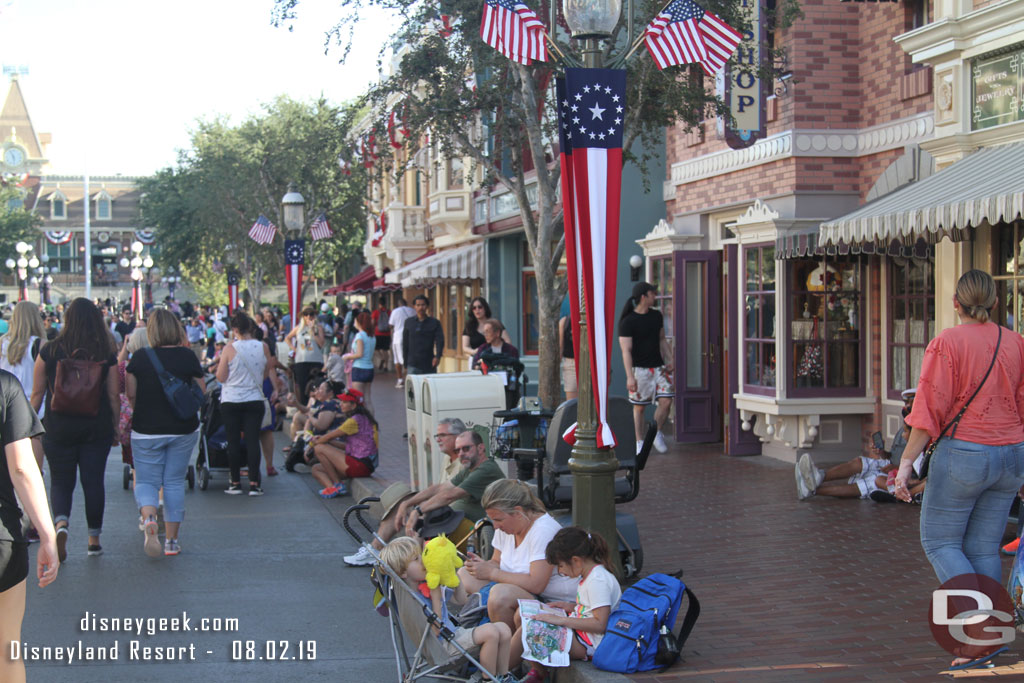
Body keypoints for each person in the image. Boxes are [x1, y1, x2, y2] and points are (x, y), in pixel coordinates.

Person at [893, 269, 1024, 670]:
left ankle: (982, 634)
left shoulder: (946, 342)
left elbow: (927, 411)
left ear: (955, 303)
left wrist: (904, 466)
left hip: (965, 453)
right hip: (1012, 454)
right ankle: (992, 634)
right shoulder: (1017, 342)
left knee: (940, 543)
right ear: (996, 302)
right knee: (983, 548)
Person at [29, 298, 120, 560]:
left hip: (58, 425)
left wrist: (27, 423)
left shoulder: (50, 349)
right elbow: (114, 394)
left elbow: (37, 393)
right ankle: (94, 540)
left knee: (60, 480)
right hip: (96, 425)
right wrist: (115, 426)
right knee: (93, 481)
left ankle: (61, 524)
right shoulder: (105, 350)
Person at [380, 537, 518, 683]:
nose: (423, 560)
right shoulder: (411, 600)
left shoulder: (428, 582)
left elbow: (461, 600)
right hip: (442, 646)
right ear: (403, 573)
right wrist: (436, 597)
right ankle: (488, 680)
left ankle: (503, 676)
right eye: (415, 559)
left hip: (454, 634)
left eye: (421, 554)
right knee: (490, 633)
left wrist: (452, 577)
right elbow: (435, 630)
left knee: (503, 629)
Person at [125, 309, 205, 557]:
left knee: (147, 480)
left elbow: (130, 394)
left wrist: (143, 410)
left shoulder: (139, 358)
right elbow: (201, 391)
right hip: (182, 428)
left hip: (146, 429)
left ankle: (149, 518)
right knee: (173, 482)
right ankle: (171, 541)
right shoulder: (188, 356)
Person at [343, 417, 468, 567]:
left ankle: (378, 549)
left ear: (458, 437)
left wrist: (415, 507)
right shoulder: (449, 459)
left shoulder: (463, 463)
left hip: (452, 513)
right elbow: (438, 488)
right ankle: (379, 548)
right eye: (437, 436)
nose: (438, 440)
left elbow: (447, 495)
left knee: (407, 503)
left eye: (442, 436)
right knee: (401, 495)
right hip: (443, 507)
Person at [0, 369, 59, 683]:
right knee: (7, 646)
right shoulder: (6, 386)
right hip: (2, 537)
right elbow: (22, 468)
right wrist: (47, 533)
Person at [458, 479, 579, 630]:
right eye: (492, 520)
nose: (495, 526)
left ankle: (504, 644)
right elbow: (497, 561)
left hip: (554, 601)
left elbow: (536, 584)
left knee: (499, 595)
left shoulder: (543, 531)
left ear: (518, 512)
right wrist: (480, 567)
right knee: (465, 574)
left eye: (498, 519)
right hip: (523, 591)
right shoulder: (506, 528)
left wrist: (492, 573)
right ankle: (488, 626)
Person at [511, 527, 621, 683]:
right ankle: (539, 673)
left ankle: (497, 673)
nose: (561, 572)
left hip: (589, 643)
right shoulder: (590, 576)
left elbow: (600, 624)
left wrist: (560, 620)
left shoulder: (598, 580)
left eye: (561, 566)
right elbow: (590, 609)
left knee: (528, 629)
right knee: (521, 616)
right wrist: (568, 607)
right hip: (580, 634)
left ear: (576, 560)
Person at [397, 430, 505, 545]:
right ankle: (414, 556)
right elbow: (440, 488)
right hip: (467, 525)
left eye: (466, 448)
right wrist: (407, 503)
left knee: (430, 518)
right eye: (458, 450)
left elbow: (449, 496)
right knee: (427, 518)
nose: (461, 454)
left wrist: (418, 511)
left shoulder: (486, 470)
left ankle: (417, 557)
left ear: (481, 448)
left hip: (484, 530)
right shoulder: (470, 470)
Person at [216, 312, 273, 496]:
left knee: (233, 441)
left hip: (231, 399)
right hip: (254, 398)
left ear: (234, 329)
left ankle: (235, 482)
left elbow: (221, 376)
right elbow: (265, 373)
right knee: (252, 440)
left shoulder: (229, 348)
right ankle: (255, 483)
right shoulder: (263, 346)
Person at [618, 281, 673, 455]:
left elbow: (662, 340)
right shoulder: (628, 322)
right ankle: (639, 441)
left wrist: (670, 359)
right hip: (639, 370)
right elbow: (626, 350)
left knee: (666, 401)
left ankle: (655, 432)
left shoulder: (656, 316)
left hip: (658, 368)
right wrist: (629, 376)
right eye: (652, 294)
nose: (655, 297)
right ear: (644, 297)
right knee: (639, 407)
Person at [309, 389, 378, 498]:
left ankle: (337, 485)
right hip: (363, 465)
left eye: (345, 402)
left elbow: (325, 439)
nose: (341, 404)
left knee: (319, 448)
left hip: (360, 465)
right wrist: (328, 440)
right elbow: (346, 446)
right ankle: (332, 487)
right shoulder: (363, 418)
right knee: (316, 469)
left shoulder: (354, 421)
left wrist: (316, 441)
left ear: (353, 405)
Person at [285, 305, 326, 407]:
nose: (308, 316)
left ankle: (315, 407)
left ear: (314, 315)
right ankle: (304, 408)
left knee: (316, 386)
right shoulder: (298, 328)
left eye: (311, 314)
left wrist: (313, 331)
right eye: (306, 314)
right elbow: (287, 338)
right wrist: (294, 349)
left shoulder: (319, 327)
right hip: (301, 361)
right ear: (303, 316)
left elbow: (321, 344)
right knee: (303, 387)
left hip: (315, 360)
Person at [343, 311, 376, 413]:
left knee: (358, 399)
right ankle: (372, 424)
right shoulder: (372, 336)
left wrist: (347, 357)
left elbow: (359, 354)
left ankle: (361, 423)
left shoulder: (359, 336)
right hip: (369, 368)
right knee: (367, 399)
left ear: (360, 322)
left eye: (355, 321)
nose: (354, 323)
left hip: (359, 368)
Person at [402, 295, 444, 376]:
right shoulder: (408, 322)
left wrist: (438, 356)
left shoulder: (435, 323)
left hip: (429, 364)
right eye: (418, 305)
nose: (421, 307)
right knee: (413, 388)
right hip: (412, 364)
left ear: (427, 306)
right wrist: (405, 363)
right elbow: (405, 344)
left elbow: (440, 341)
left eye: (423, 305)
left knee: (430, 388)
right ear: (414, 306)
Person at [388, 298, 417, 388]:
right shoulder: (412, 310)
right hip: (412, 336)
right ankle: (411, 378)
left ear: (398, 304)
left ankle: (401, 380)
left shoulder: (395, 311)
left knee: (398, 360)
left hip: (398, 337)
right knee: (410, 357)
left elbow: (390, 325)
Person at [559, 299, 577, 402]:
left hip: (589, 362)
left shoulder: (592, 320)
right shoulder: (565, 322)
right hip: (571, 363)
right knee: (571, 401)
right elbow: (560, 347)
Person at [371, 300, 392, 371]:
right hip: (387, 333)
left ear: (379, 304)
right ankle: (386, 366)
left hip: (378, 333)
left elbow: (373, 322)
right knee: (386, 350)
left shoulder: (376, 312)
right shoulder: (389, 312)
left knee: (375, 349)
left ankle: (381, 358)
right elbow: (391, 323)